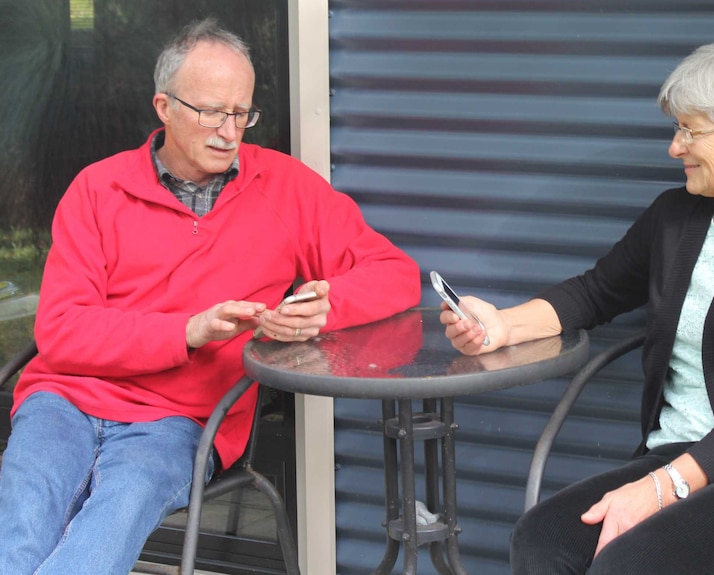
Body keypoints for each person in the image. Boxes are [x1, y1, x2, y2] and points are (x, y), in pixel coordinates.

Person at [0, 18, 420, 575]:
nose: (230, 131)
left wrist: (330, 304)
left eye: (241, 112)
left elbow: (395, 273)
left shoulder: (287, 188)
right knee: (22, 522)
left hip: (182, 418)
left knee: (116, 513)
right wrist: (186, 331)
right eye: (211, 112)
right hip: (64, 400)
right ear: (164, 106)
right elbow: (60, 330)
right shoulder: (98, 189)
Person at [439, 36, 714, 574]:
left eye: (691, 130)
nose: (674, 147)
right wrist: (502, 324)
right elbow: (596, 292)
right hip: (681, 455)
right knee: (542, 539)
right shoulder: (675, 217)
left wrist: (658, 489)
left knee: (632, 564)